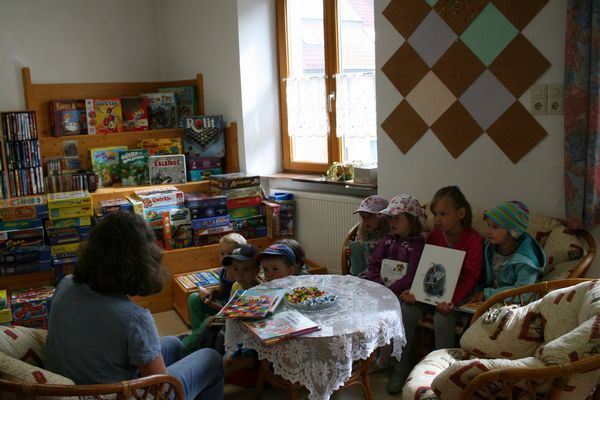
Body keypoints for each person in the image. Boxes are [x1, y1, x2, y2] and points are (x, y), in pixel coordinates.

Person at [45, 211, 223, 400]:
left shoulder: (66, 283)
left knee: (176, 344)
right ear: (141, 261)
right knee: (211, 358)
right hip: (112, 396)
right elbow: (160, 389)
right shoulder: (134, 318)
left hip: (77, 382)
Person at [390, 186, 483, 395]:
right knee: (406, 310)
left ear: (461, 213)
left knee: (442, 319)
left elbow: (471, 276)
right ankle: (400, 368)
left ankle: (442, 375)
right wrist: (414, 291)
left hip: (457, 294)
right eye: (435, 214)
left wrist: (452, 300)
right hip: (430, 289)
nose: (437, 219)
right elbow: (424, 267)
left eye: (443, 214)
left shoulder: (473, 239)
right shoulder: (434, 236)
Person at [469, 201, 546, 302]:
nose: (488, 231)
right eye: (488, 225)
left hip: (516, 303)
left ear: (512, 232)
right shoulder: (489, 248)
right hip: (491, 299)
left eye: (495, 227)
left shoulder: (526, 260)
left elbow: (525, 293)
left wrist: (487, 294)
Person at [183, 232, 247, 354]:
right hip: (222, 305)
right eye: (222, 254)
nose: (225, 258)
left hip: (231, 312)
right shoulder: (224, 271)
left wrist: (214, 306)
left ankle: (186, 346)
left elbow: (235, 310)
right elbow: (221, 291)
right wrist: (211, 292)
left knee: (207, 322)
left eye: (230, 254)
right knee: (193, 298)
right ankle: (197, 338)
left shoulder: (240, 277)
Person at [367, 194, 426, 295]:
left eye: (397, 218)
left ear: (411, 219)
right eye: (390, 218)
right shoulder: (387, 239)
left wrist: (390, 291)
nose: (392, 222)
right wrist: (379, 285)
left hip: (401, 293)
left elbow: (412, 275)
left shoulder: (418, 245)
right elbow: (373, 264)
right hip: (379, 288)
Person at [348, 195, 389, 276]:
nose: (365, 221)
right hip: (364, 273)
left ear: (382, 217)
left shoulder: (390, 236)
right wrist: (351, 252)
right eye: (363, 217)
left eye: (369, 217)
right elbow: (359, 253)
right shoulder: (363, 231)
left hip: (380, 275)